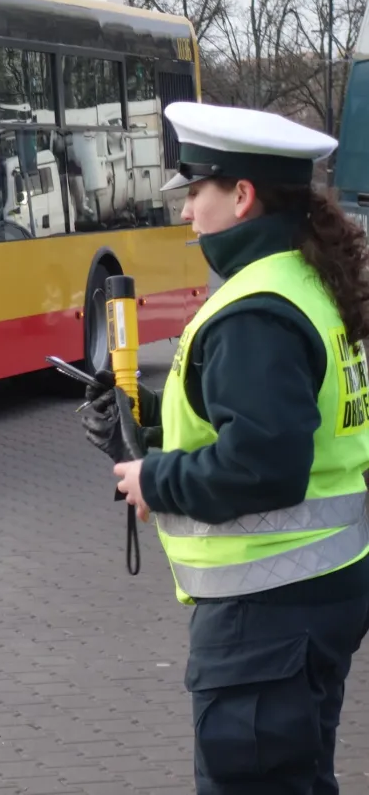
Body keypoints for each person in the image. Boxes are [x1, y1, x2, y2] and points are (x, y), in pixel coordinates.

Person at [80, 101, 369, 794]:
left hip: (267, 612)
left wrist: (156, 478)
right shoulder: (303, 284)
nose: (187, 214)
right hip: (314, 597)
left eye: (196, 192)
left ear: (241, 196)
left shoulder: (255, 309)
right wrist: (145, 415)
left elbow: (264, 461)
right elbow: (277, 416)